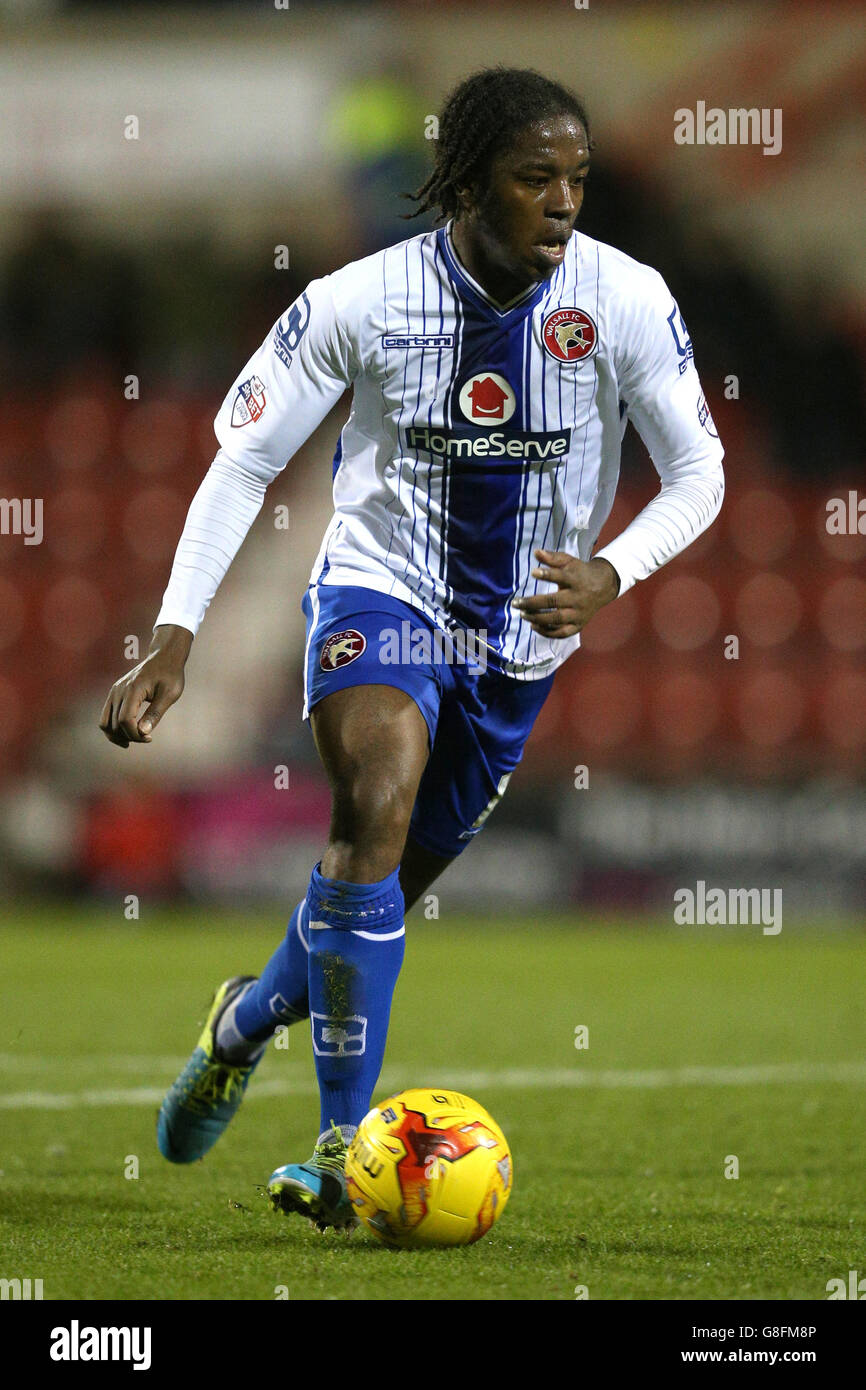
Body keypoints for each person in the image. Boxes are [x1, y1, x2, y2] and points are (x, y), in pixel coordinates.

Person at [99, 67, 724, 1232]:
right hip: (380, 590)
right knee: (370, 806)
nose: (561, 203)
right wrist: (174, 635)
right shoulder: (360, 300)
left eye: (576, 181)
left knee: (365, 895)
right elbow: (244, 457)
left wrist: (612, 572)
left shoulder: (623, 299)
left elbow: (700, 472)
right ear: (467, 182)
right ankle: (343, 1150)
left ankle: (239, 1023)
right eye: (533, 178)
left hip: (516, 645)